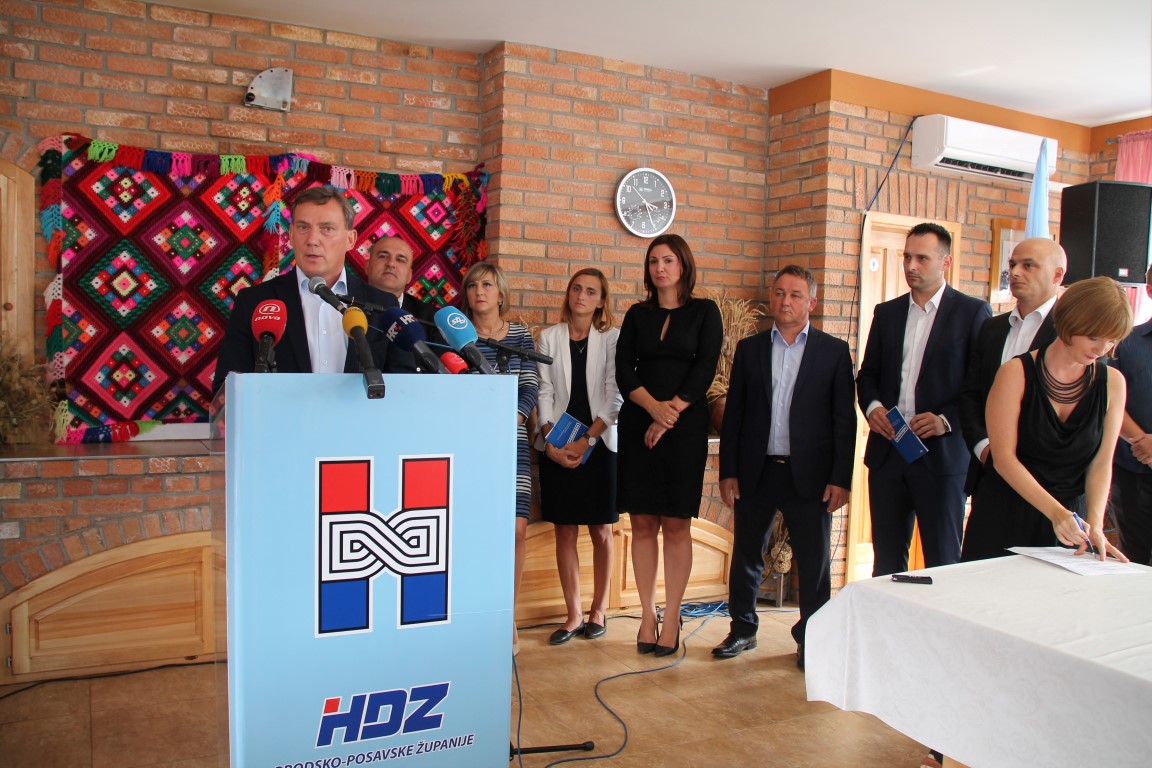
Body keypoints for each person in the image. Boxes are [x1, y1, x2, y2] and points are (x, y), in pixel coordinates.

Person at [712, 266, 855, 671]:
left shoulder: (833, 352)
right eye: (779, 293)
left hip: (810, 475)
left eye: (795, 295)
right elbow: (735, 417)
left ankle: (811, 638)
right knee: (746, 554)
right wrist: (728, 471)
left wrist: (840, 479)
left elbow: (844, 422)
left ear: (812, 302)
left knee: (814, 563)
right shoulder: (751, 349)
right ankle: (742, 628)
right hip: (756, 471)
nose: (785, 301)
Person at [960, 277, 1132, 562]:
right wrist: (1056, 513)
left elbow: (1102, 462)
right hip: (1007, 513)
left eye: (1112, 340)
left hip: (1071, 522)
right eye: (1094, 337)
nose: (1102, 349)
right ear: (1069, 322)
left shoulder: (1113, 383)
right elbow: (1004, 459)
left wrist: (1095, 524)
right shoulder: (1014, 374)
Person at [856, 222, 992, 576]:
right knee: (886, 564)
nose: (911, 266)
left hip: (942, 459)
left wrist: (946, 420)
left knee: (943, 561)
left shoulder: (972, 313)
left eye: (921, 258)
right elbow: (867, 375)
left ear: (946, 262)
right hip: (889, 453)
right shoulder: (887, 313)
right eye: (906, 257)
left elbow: (981, 386)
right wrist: (873, 409)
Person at [615, 234, 722, 657]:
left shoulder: (705, 312)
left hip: (685, 427)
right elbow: (623, 370)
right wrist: (653, 409)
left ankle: (673, 615)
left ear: (684, 266)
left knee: (676, 525)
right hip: (639, 423)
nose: (660, 268)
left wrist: (669, 414)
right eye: (653, 261)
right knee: (642, 523)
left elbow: (705, 368)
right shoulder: (637, 314)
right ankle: (647, 614)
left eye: (668, 260)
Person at [212, 186, 416, 395]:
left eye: (327, 228)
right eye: (303, 227)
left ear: (350, 239)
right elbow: (226, 389)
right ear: (291, 235)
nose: (312, 240)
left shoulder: (384, 305)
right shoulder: (255, 302)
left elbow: (404, 389)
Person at [535, 268, 622, 644]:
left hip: (599, 444)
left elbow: (615, 393)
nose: (581, 296)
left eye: (590, 291)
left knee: (601, 530)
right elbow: (543, 392)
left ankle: (599, 610)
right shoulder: (549, 337)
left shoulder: (612, 338)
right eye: (576, 289)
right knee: (565, 530)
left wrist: (587, 440)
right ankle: (573, 615)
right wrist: (550, 440)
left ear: (601, 300)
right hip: (558, 442)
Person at [459, 261, 539, 655]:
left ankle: (507, 615)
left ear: (501, 293)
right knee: (473, 529)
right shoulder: (455, 334)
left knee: (516, 530)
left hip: (512, 440)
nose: (479, 292)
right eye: (473, 285)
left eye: (487, 285)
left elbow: (531, 384)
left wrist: (514, 417)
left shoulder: (520, 335)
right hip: (470, 444)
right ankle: (476, 613)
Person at [960, 238, 1065, 494]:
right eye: (1013, 264)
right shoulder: (992, 328)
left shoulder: (1069, 334)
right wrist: (984, 447)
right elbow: (971, 394)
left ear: (1057, 275)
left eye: (1028, 265)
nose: (1015, 272)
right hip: (989, 472)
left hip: (1046, 480)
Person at [1109, 262, 1152, 565]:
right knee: (1134, 560)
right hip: (1134, 472)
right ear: (1149, 289)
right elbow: (1110, 400)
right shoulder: (1124, 342)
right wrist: (1144, 443)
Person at [365, 234, 441, 330]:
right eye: (383, 256)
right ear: (367, 266)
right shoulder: (348, 301)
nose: (391, 264)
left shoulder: (431, 320)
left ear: (409, 275)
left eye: (400, 260)